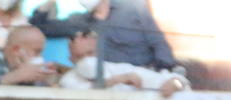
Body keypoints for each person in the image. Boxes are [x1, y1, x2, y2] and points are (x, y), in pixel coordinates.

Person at [30, 0, 176, 72]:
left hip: (142, 80)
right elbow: (40, 27)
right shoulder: (79, 21)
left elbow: (159, 44)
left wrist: (160, 75)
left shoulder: (132, 7)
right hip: (107, 86)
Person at [57, 26, 187, 95]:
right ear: (71, 59)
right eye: (80, 56)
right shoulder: (68, 80)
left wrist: (175, 83)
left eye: (90, 53)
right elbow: (86, 94)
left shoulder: (121, 68)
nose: (87, 60)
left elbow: (175, 80)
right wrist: (117, 80)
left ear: (100, 53)